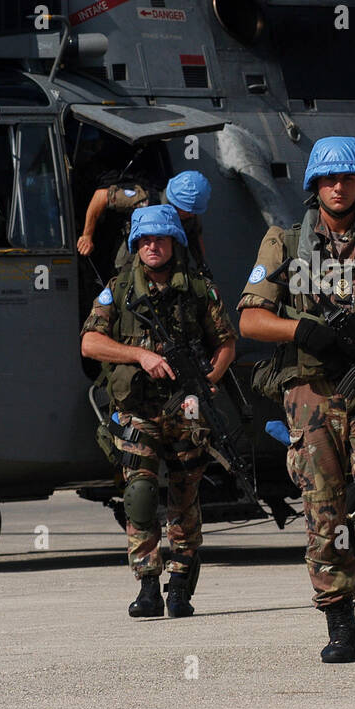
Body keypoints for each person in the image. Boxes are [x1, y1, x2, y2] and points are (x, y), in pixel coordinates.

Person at [238, 136, 355, 665]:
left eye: (349, 179)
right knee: (323, 509)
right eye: (330, 180)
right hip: (311, 394)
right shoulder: (285, 244)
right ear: (315, 185)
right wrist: (302, 331)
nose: (339, 187)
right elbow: (249, 319)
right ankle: (340, 621)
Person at [80, 204, 237, 618]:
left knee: (185, 497)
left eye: (161, 239)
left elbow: (225, 341)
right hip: (136, 410)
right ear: (137, 244)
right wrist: (138, 355)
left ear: (174, 243)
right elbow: (90, 343)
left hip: (184, 408)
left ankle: (181, 585)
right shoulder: (117, 289)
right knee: (140, 495)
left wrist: (209, 381)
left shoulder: (199, 290)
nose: (153, 246)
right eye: (146, 240)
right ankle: (148, 584)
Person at [79, 168, 211, 275]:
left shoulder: (189, 215)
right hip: (132, 269)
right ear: (175, 203)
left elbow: (195, 236)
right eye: (187, 210)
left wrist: (202, 265)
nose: (191, 214)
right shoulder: (144, 201)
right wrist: (87, 236)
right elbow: (101, 196)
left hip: (170, 270)